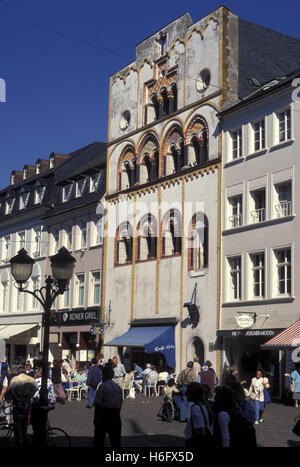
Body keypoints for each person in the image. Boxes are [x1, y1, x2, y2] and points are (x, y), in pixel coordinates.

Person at [93, 365, 123, 448]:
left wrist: (96, 418)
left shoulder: (102, 387)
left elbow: (98, 404)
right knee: (116, 442)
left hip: (104, 415)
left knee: (99, 441)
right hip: (116, 415)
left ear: (103, 375)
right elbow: (120, 402)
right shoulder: (118, 387)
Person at [184, 382, 214, 448]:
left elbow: (200, 431)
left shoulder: (195, 407)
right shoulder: (204, 405)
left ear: (192, 394)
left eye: (187, 392)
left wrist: (190, 441)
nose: (186, 394)